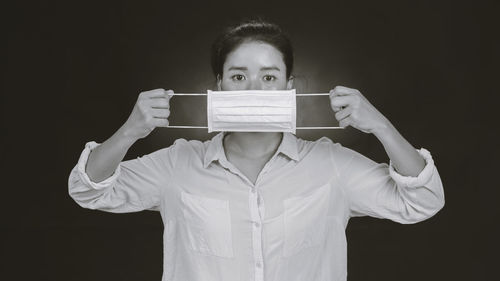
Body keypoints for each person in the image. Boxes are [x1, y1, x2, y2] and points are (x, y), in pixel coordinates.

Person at [68, 18, 445, 281]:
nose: (253, 88)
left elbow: (422, 200)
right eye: (238, 76)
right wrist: (131, 130)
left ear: (288, 86)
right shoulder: (178, 163)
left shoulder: (330, 164)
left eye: (268, 77)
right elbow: (88, 190)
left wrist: (380, 125)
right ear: (218, 84)